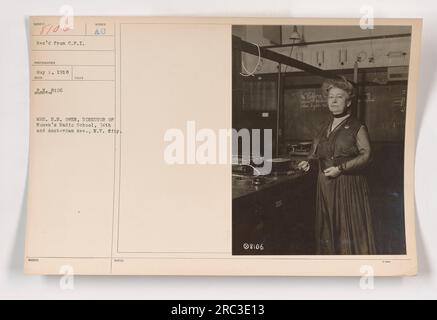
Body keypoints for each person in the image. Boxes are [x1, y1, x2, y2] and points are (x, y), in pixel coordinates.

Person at [298, 76, 376, 255]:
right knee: (327, 228)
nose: (333, 101)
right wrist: (308, 163)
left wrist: (340, 169)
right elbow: (314, 153)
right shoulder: (323, 127)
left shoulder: (357, 126)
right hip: (325, 184)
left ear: (348, 102)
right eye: (330, 97)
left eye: (339, 97)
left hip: (348, 185)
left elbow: (367, 155)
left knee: (348, 228)